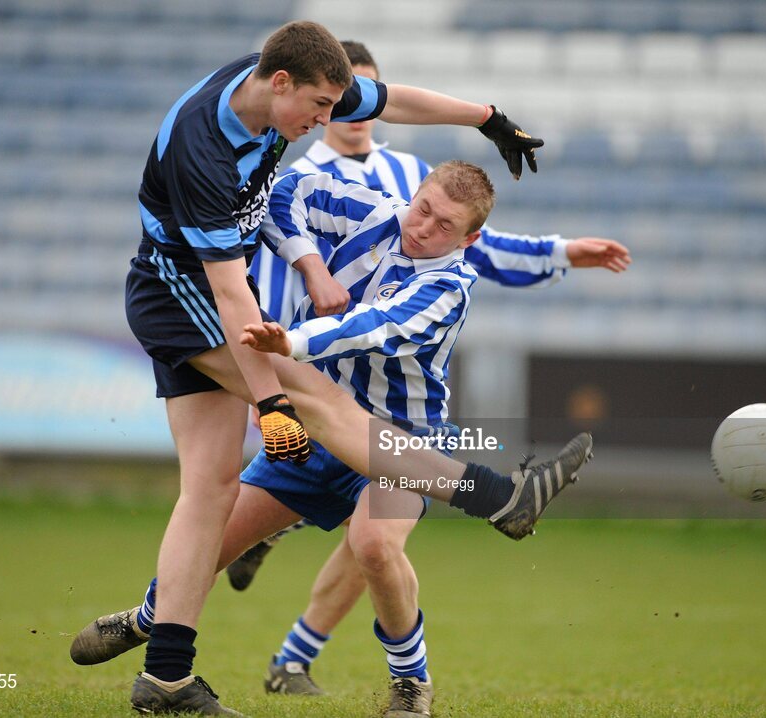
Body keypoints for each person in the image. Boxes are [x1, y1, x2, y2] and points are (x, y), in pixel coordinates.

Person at [74, 20, 580, 717]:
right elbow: (229, 293)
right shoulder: (204, 153)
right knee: (314, 403)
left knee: (210, 492)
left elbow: (391, 100)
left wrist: (487, 118)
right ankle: (498, 496)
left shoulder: (285, 86)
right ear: (278, 83)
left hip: (227, 315)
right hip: (185, 299)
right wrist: (272, 402)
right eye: (317, 110)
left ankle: (164, 676)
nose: (325, 125)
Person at [222, 40, 631, 698]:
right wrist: (269, 368)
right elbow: (268, 253)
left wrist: (558, 252)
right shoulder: (306, 173)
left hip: (390, 409)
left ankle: (324, 663)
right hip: (311, 386)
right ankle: (188, 626)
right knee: (311, 521)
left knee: (374, 544)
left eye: (362, 96)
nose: (348, 110)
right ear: (317, 106)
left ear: (378, 102)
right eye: (336, 99)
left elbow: (473, 242)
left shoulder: (413, 177)